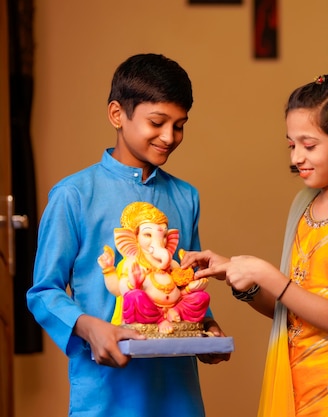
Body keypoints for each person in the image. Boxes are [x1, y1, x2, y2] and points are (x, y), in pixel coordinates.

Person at [181, 74, 328, 417]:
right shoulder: (304, 206)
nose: (297, 156)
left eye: (309, 145)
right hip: (296, 384)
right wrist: (243, 280)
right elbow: (293, 313)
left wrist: (265, 273)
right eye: (291, 145)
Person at [26, 53, 229, 417]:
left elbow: (186, 277)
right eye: (157, 122)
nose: (169, 136)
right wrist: (89, 328)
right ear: (117, 114)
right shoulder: (73, 195)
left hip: (177, 390)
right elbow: (43, 292)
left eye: (179, 125)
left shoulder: (186, 196)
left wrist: (207, 326)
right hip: (105, 392)